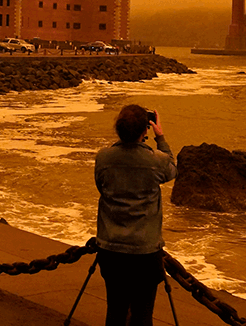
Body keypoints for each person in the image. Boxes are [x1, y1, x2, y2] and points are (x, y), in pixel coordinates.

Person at [94, 104, 178, 326]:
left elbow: (100, 187)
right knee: (142, 313)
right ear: (146, 129)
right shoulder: (155, 160)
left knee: (115, 309)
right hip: (145, 250)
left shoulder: (103, 158)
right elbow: (172, 168)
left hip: (111, 248)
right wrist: (161, 138)